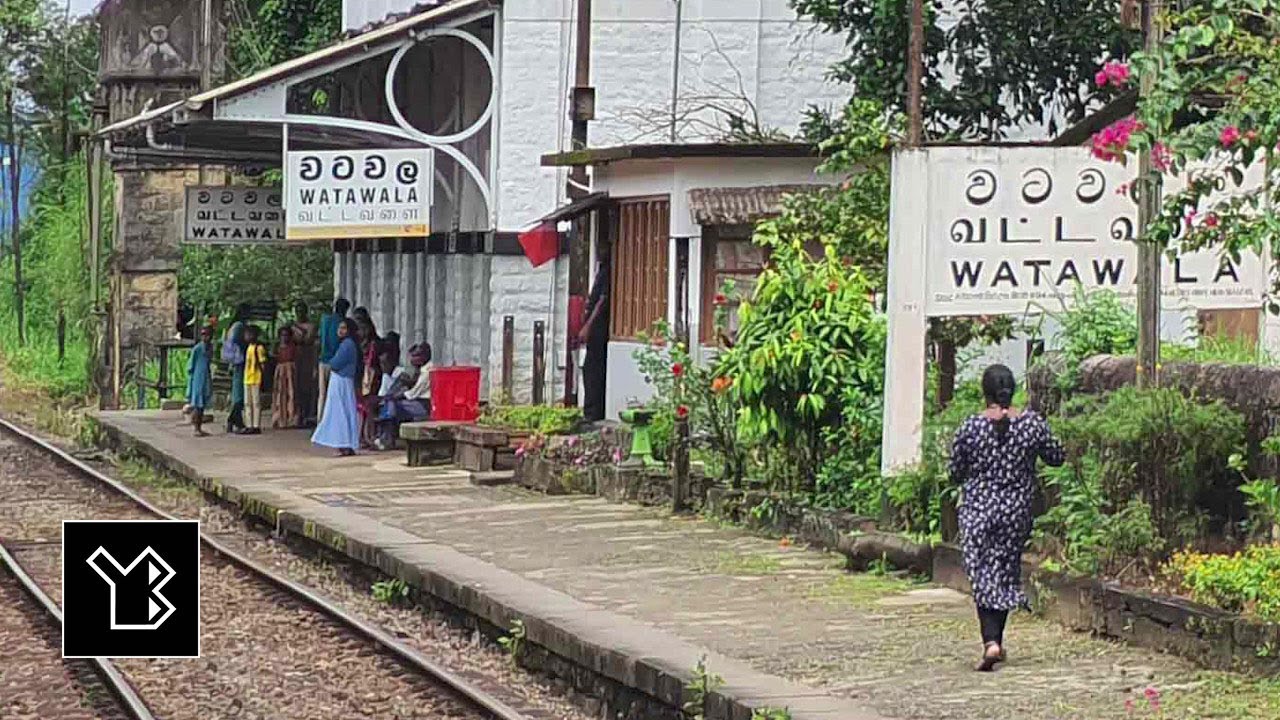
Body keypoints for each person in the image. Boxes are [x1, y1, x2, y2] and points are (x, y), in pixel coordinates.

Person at [948, 364, 1065, 671]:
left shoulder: (971, 427)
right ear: (1013, 390)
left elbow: (955, 473)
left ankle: (991, 642)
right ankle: (995, 640)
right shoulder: (1031, 424)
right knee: (1003, 570)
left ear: (984, 392)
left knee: (983, 575)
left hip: (978, 511)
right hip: (1016, 511)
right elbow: (1057, 456)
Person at [312, 318, 361, 456]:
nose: (340, 331)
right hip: (343, 380)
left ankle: (342, 443)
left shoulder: (347, 344)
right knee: (344, 411)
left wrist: (330, 361)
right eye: (339, 328)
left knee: (339, 412)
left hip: (341, 380)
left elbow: (335, 363)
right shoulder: (348, 344)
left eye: (344, 328)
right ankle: (345, 444)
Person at [578, 246, 610, 422]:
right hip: (595, 328)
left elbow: (602, 300)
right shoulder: (601, 271)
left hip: (599, 329)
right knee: (591, 369)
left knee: (593, 370)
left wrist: (588, 325)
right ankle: (591, 410)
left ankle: (593, 412)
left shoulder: (607, 272)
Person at [317, 298, 350, 421]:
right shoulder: (341, 323)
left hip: (323, 360)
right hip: (335, 361)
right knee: (333, 394)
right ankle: (330, 421)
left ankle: (320, 421)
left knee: (322, 394)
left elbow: (320, 339)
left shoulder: (325, 320)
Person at [222, 303, 251, 434]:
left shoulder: (232, 326)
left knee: (237, 392)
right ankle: (234, 420)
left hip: (235, 362)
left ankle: (233, 421)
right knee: (238, 394)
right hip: (239, 361)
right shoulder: (239, 326)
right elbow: (237, 341)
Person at [292, 302, 318, 426]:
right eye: (297, 311)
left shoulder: (310, 326)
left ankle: (308, 415)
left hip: (307, 359)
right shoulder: (292, 326)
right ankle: (298, 415)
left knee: (307, 388)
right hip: (295, 358)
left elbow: (307, 340)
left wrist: (298, 329)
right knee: (295, 387)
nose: (299, 314)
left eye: (301, 311)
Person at [185, 325, 214, 437]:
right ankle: (196, 428)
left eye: (207, 335)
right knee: (197, 403)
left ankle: (199, 427)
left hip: (206, 376)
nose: (205, 337)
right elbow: (190, 366)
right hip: (197, 377)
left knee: (202, 405)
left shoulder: (210, 348)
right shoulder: (197, 349)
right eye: (203, 335)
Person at [242, 325, 268, 435]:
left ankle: (256, 425)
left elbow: (263, 364)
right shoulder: (248, 348)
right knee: (247, 403)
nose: (247, 336)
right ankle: (249, 425)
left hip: (256, 378)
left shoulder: (259, 348)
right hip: (247, 378)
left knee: (256, 402)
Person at [272, 326, 299, 429]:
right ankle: (280, 419)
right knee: (280, 394)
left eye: (287, 335)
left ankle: (291, 418)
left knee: (291, 393)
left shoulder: (293, 347)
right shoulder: (277, 347)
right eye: (282, 335)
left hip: (290, 371)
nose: (284, 337)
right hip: (280, 371)